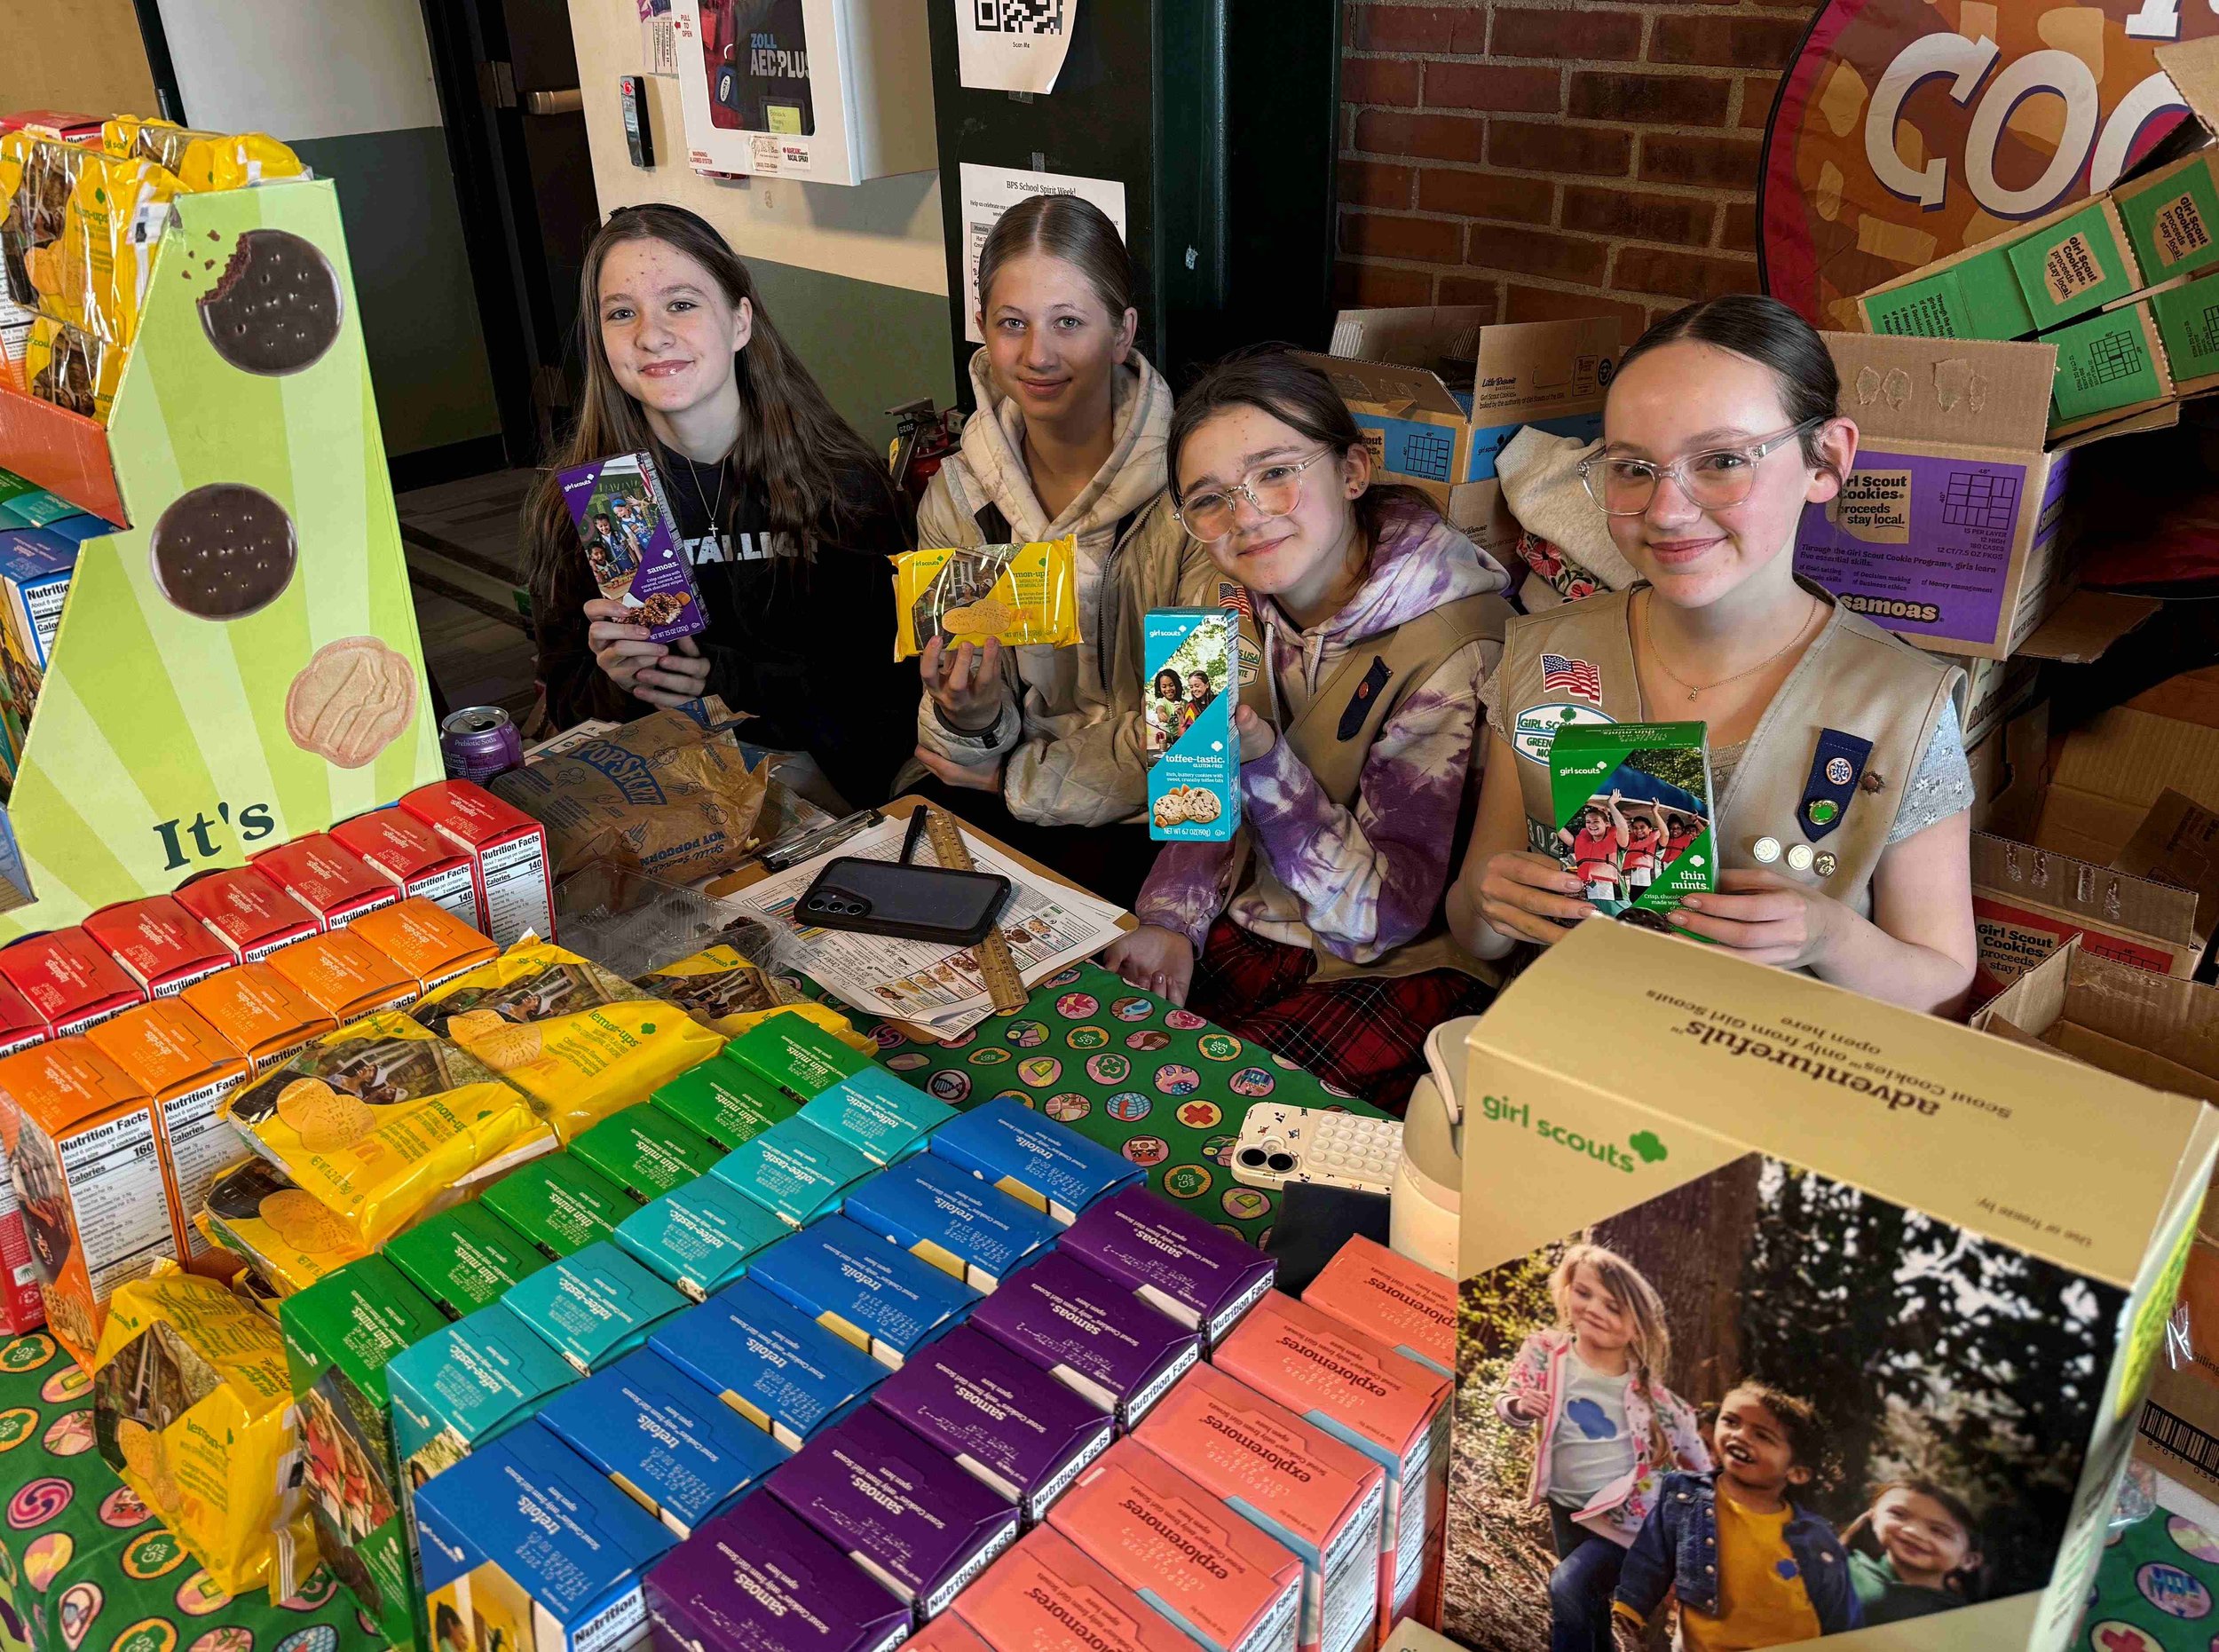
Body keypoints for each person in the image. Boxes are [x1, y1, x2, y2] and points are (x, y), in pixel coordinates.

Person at [1447, 295, 1978, 1016]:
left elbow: (1944, 981)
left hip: (1778, 1083)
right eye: (1633, 468)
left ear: (1826, 460)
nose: (1667, 511)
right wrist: (1490, 900)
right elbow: (1476, 929)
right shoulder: (1547, 654)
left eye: (1724, 460)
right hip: (1570, 1054)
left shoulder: (1901, 702)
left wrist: (1831, 935)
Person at [1104, 348, 1512, 1110]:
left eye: (1276, 472)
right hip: (1253, 916)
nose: (1247, 514)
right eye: (1209, 498)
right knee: (1101, 1059)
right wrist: (1169, 919)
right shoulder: (1216, 601)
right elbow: (1193, 803)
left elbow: (1377, 921)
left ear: (1352, 473)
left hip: (1394, 960)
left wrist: (1261, 759)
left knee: (1216, 1115)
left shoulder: (1454, 644)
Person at [523, 202, 914, 810]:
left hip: (828, 797)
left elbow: (885, 689)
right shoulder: (592, 501)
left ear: (739, 322)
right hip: (662, 804)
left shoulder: (843, 486)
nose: (651, 335)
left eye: (681, 304)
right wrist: (618, 681)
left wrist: (723, 681)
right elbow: (567, 695)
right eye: (621, 313)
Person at [912, 194, 1215, 905]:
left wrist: (1018, 778)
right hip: (1002, 800)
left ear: (1122, 332)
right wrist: (971, 715)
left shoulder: (1198, 497)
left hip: (1160, 830)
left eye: (1068, 323)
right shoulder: (960, 501)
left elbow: (1196, 734)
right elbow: (950, 746)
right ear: (982, 327)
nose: (1038, 355)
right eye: (1012, 324)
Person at [1497, 1244, 1710, 1652]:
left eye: (1613, 1306)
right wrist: (1519, 1406)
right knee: (1589, 1605)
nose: (1594, 1309)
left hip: (1628, 1522)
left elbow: (1701, 1471)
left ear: (1638, 1328)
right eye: (1583, 1292)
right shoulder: (1546, 1351)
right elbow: (1508, 1397)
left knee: (1568, 1587)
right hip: (1565, 1504)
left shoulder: (1658, 1402)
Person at [1613, 1383, 1861, 1648]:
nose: (1740, 1436)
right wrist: (1628, 1610)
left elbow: (1840, 1613)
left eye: (1763, 1436)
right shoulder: (1685, 1496)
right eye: (1731, 1421)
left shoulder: (1815, 1537)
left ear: (1796, 1472)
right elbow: (1651, 1558)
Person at [1843, 1479, 1985, 1624]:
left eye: (1938, 1531)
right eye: (1899, 1515)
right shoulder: (1842, 1570)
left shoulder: (1959, 1618)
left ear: (1968, 1560)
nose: (1913, 1532)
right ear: (1873, 1517)